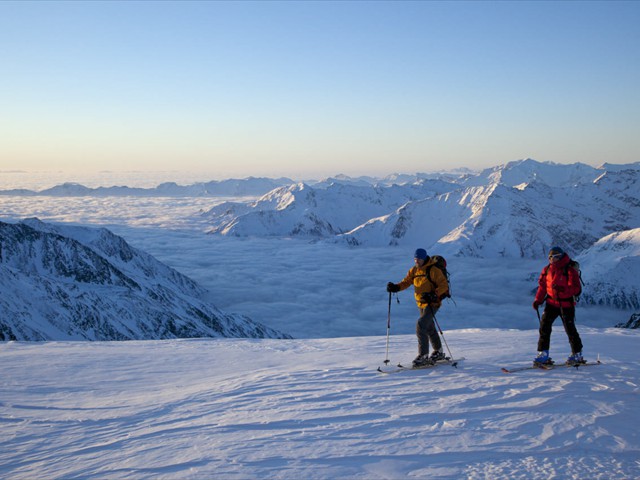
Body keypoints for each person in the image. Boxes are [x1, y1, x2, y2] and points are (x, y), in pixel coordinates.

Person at [386, 248, 450, 367]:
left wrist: (433, 294)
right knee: (429, 327)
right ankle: (439, 351)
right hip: (421, 304)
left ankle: (423, 355)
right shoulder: (414, 270)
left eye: (419, 259)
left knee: (421, 325)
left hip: (432, 303)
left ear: (424, 258)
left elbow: (444, 285)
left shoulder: (433, 270)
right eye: (415, 259)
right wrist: (395, 287)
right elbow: (406, 282)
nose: (417, 262)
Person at [532, 246, 585, 366]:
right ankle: (543, 354)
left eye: (556, 257)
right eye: (551, 257)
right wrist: (538, 300)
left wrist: (563, 290)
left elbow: (576, 289)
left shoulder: (570, 270)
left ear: (561, 257)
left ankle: (577, 354)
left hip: (566, 304)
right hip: (551, 303)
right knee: (544, 327)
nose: (553, 259)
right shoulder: (547, 270)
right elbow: (543, 287)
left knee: (570, 329)